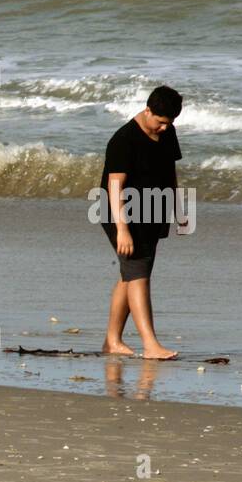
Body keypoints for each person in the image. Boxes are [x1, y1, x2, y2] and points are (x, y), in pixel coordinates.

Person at [98, 85, 184, 360]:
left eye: (168, 123)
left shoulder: (168, 132)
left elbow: (170, 171)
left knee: (130, 274)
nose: (163, 128)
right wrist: (122, 229)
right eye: (160, 122)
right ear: (148, 110)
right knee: (139, 274)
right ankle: (150, 344)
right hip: (120, 210)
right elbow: (115, 186)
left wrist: (179, 209)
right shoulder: (124, 140)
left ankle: (112, 341)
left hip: (152, 209)